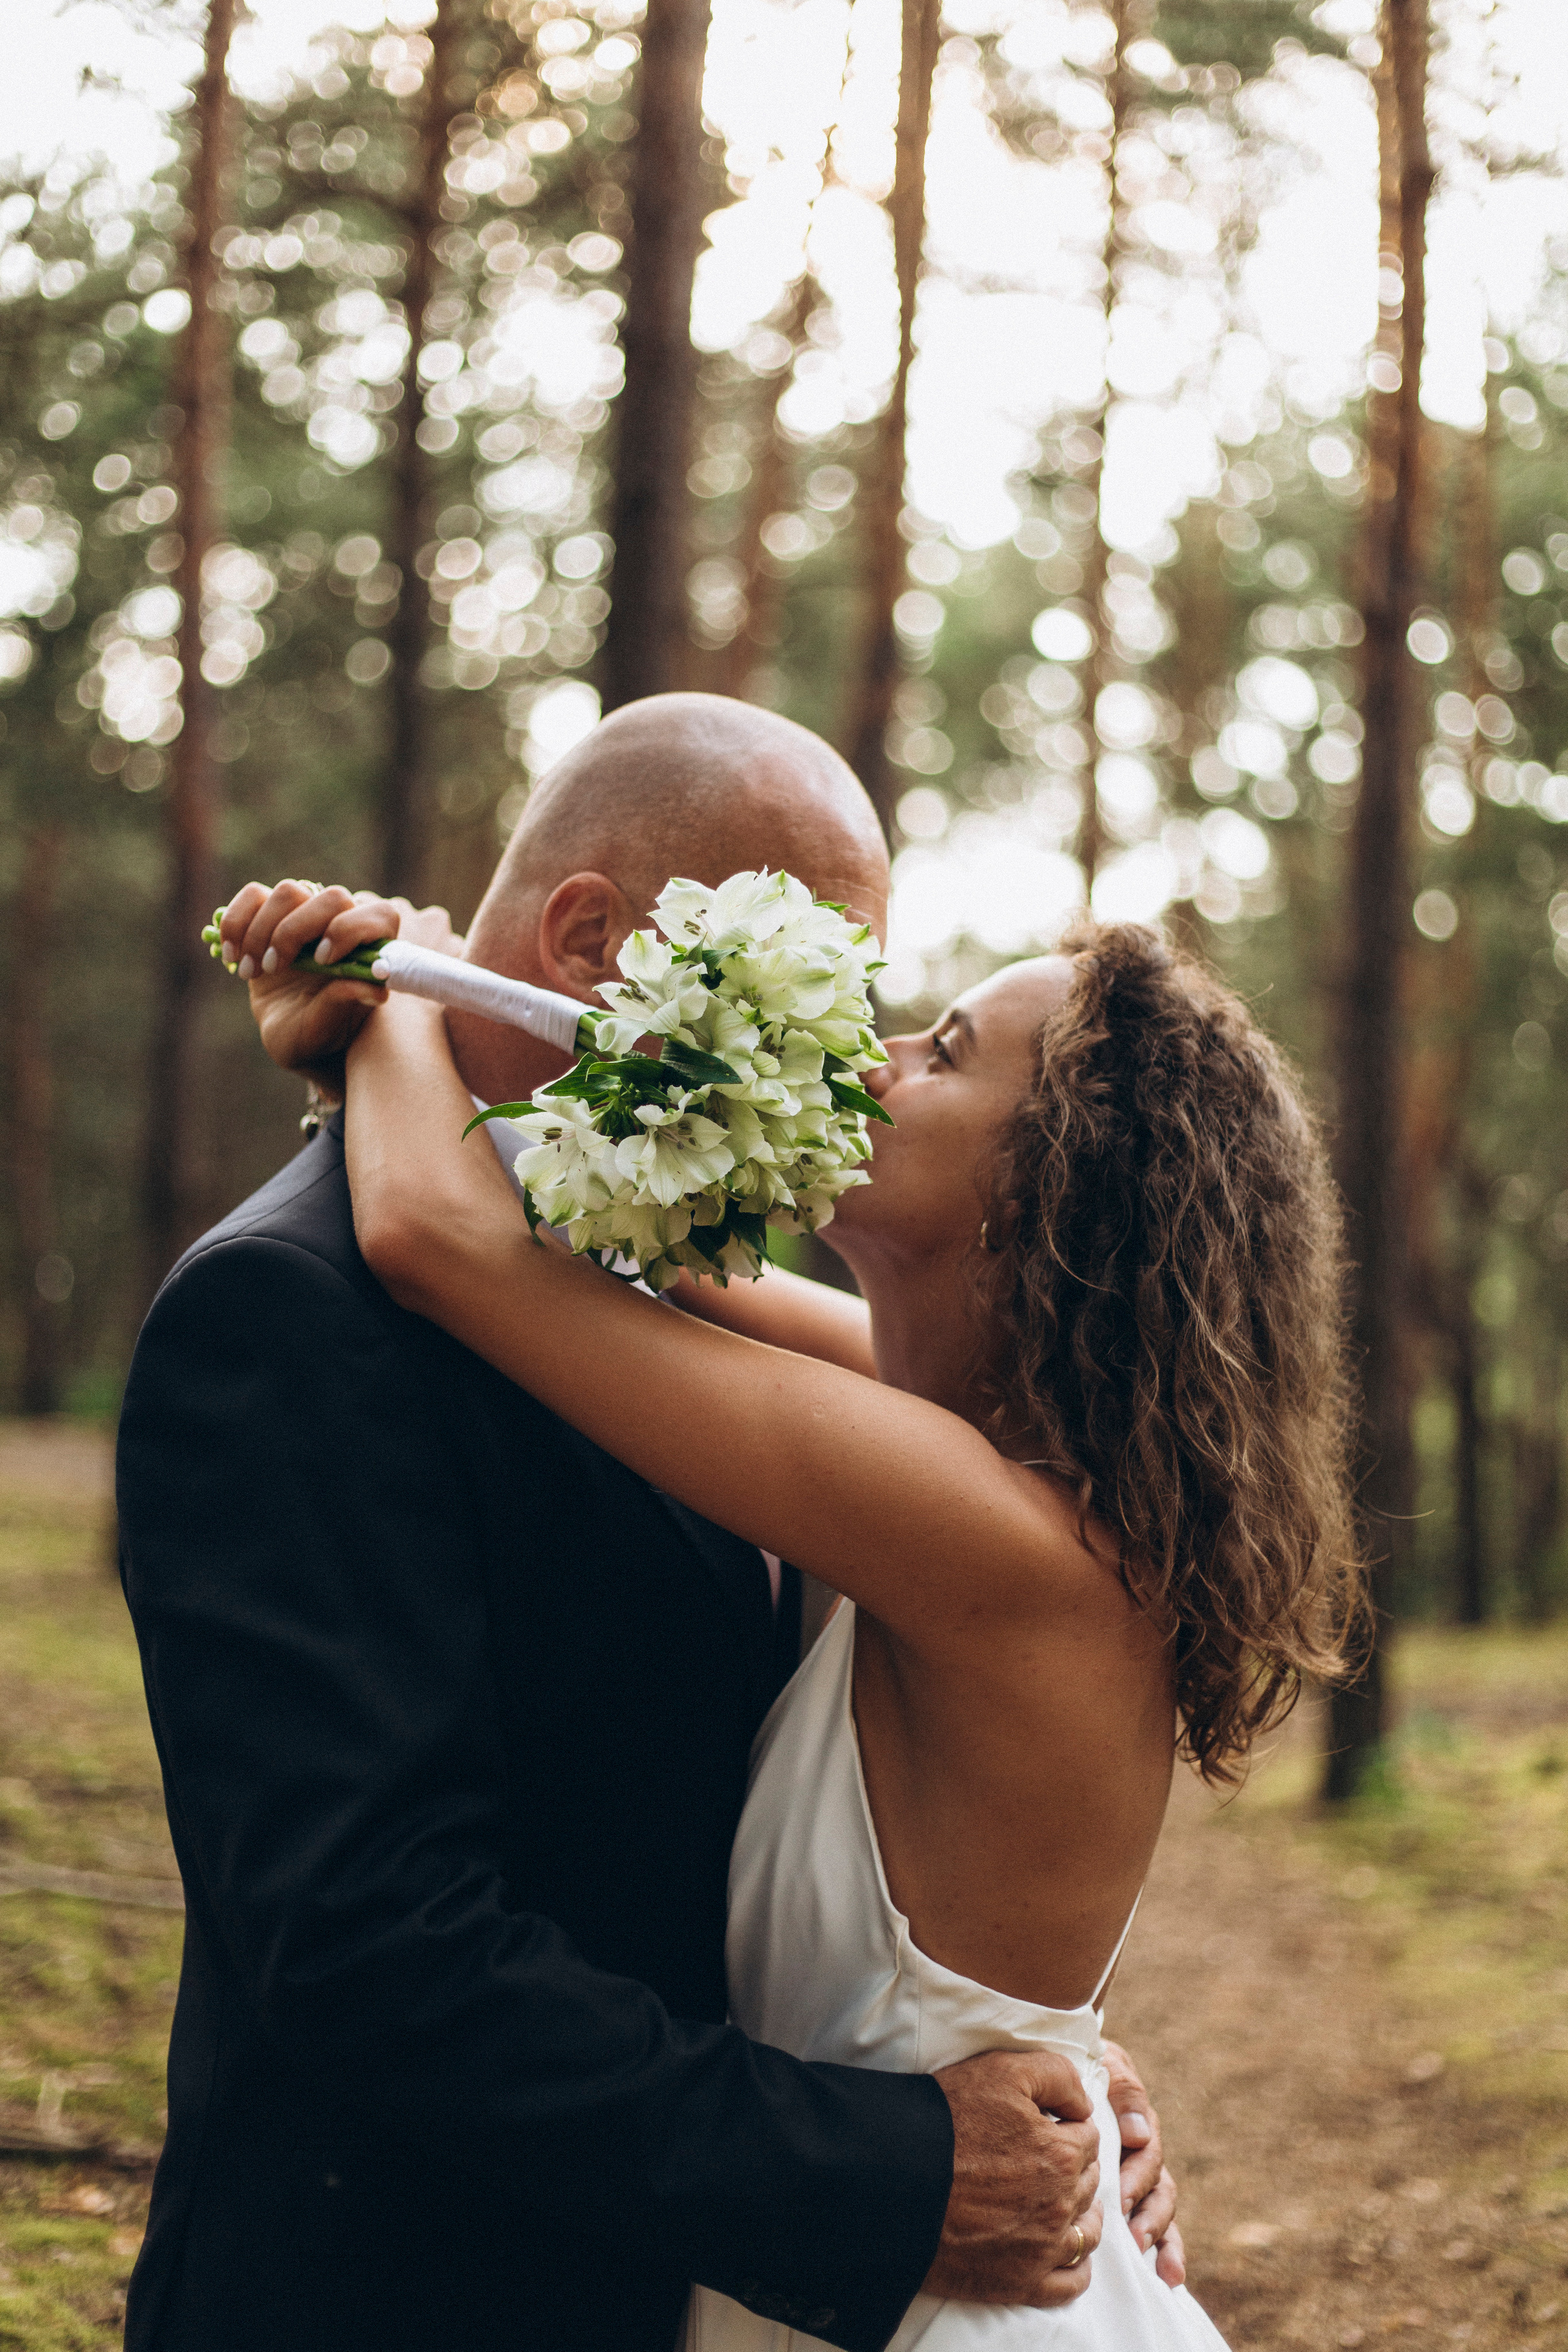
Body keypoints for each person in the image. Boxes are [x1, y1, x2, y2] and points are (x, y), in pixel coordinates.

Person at [116, 693, 1179, 2352]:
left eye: (900, 1029)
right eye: (813, 984)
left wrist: (1024, 2050)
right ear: (602, 938)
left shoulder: (743, 1349)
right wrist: (907, 2148)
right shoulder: (287, 1316)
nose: (846, 1060)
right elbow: (364, 1945)